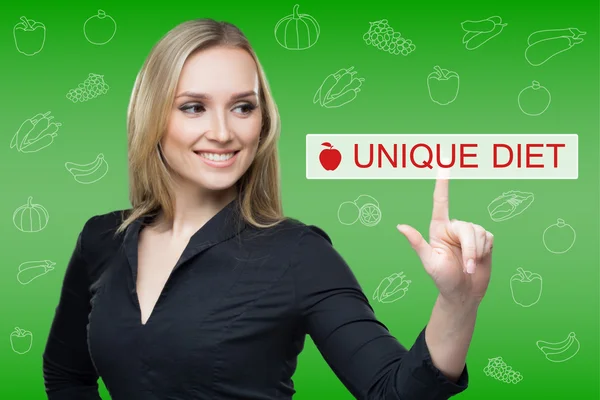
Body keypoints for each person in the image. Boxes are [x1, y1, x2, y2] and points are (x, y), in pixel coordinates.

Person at [42, 18, 494, 400]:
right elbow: (67, 376)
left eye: (242, 107)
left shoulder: (298, 253)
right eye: (194, 107)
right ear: (152, 116)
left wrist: (457, 303)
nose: (222, 132)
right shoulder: (102, 239)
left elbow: (391, 390)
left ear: (263, 122)